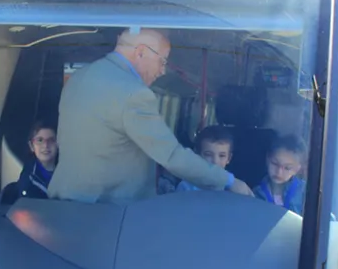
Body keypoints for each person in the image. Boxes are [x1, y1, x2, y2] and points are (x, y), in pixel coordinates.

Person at [47, 28, 252, 203]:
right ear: (141, 52)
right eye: (162, 61)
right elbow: (171, 156)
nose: (162, 71)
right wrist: (229, 181)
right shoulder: (134, 94)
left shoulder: (78, 78)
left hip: (63, 205)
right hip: (106, 216)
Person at [0, 121, 58, 204]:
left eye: (51, 140)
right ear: (31, 146)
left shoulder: (69, 173)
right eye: (40, 140)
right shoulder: (27, 182)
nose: (45, 145)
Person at [254, 135, 306, 215]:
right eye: (275, 163)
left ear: (297, 169)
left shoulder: (305, 192)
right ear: (268, 159)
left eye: (287, 168)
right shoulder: (256, 193)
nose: (279, 172)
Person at [177, 125, 235, 191]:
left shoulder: (234, 188)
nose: (215, 161)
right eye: (208, 155)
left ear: (229, 158)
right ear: (198, 156)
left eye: (222, 156)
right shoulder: (186, 187)